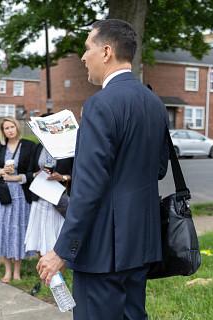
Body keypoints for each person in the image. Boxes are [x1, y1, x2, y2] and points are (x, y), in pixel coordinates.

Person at [37, 19, 169, 320]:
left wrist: (62, 250)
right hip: (142, 243)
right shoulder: (154, 103)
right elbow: (158, 168)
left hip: (102, 250)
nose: (84, 57)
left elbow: (89, 188)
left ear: (106, 51)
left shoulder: (100, 105)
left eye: (87, 48)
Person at [0, 118, 35, 283]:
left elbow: (33, 172)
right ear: (2, 131)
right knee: (4, 231)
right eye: (6, 128)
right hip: (3, 195)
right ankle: (7, 270)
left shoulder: (28, 145)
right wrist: (1, 171)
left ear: (17, 127)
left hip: (21, 195)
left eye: (11, 126)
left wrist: (16, 178)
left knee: (18, 231)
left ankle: (17, 271)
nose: (9, 130)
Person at [24, 133, 73, 256]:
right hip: (39, 199)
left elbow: (77, 173)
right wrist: (37, 174)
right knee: (40, 242)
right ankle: (45, 275)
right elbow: (29, 172)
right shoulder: (39, 147)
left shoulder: (68, 148)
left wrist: (62, 177)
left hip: (58, 200)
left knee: (56, 243)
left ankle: (57, 274)